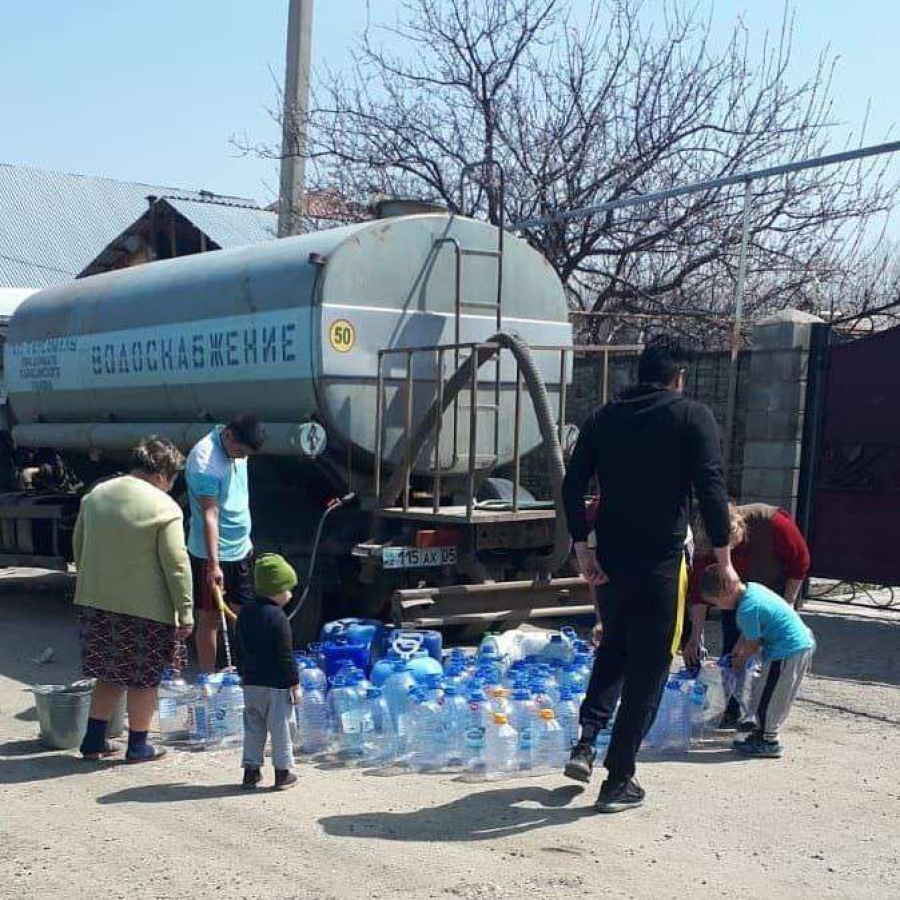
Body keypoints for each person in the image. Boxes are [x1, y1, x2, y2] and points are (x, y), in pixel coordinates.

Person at [561, 334, 737, 813]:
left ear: (640, 372)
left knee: (615, 645)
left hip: (612, 559)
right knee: (650, 665)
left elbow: (571, 484)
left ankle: (586, 740)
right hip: (661, 561)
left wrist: (583, 547)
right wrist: (723, 559)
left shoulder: (603, 418)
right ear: (678, 377)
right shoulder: (691, 416)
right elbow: (711, 489)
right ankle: (619, 779)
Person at [74, 437, 193, 763]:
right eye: (173, 477)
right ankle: (139, 746)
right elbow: (176, 564)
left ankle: (93, 741)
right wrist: (185, 610)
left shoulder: (96, 495)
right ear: (162, 474)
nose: (172, 485)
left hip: (95, 602)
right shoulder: (164, 506)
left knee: (108, 673)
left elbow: (79, 546)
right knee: (144, 679)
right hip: (145, 609)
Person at [684, 503, 811, 727]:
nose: (725, 557)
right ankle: (736, 710)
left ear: (739, 528)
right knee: (733, 643)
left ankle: (763, 721)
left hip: (770, 594)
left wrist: (788, 602)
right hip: (737, 597)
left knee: (767, 665)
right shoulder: (706, 542)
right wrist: (695, 637)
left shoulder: (771, 522)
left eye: (730, 548)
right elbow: (700, 593)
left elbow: (800, 561)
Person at [700, 566, 815, 758]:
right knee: (765, 691)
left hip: (786, 652)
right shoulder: (752, 590)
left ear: (725, 590)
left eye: (717, 602)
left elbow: (752, 645)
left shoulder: (746, 609)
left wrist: (739, 663)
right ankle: (760, 733)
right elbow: (749, 632)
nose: (719, 608)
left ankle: (768, 740)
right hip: (795, 645)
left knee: (771, 696)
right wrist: (737, 650)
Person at [186, 416, 266, 672]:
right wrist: (213, 565)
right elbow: (210, 514)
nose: (242, 458)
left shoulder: (237, 450)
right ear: (229, 435)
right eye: (240, 452)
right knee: (209, 618)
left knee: (245, 616)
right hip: (210, 554)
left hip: (240, 548)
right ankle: (207, 680)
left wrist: (246, 540)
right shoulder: (204, 462)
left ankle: (249, 674)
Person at [235, 553, 300, 791]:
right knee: (281, 728)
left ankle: (250, 773)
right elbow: (285, 653)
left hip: (251, 683)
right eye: (288, 589)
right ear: (277, 590)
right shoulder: (278, 617)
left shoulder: (245, 613)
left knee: (253, 727)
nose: (290, 594)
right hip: (276, 685)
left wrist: (243, 674)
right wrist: (294, 683)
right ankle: (282, 773)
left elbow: (239, 646)